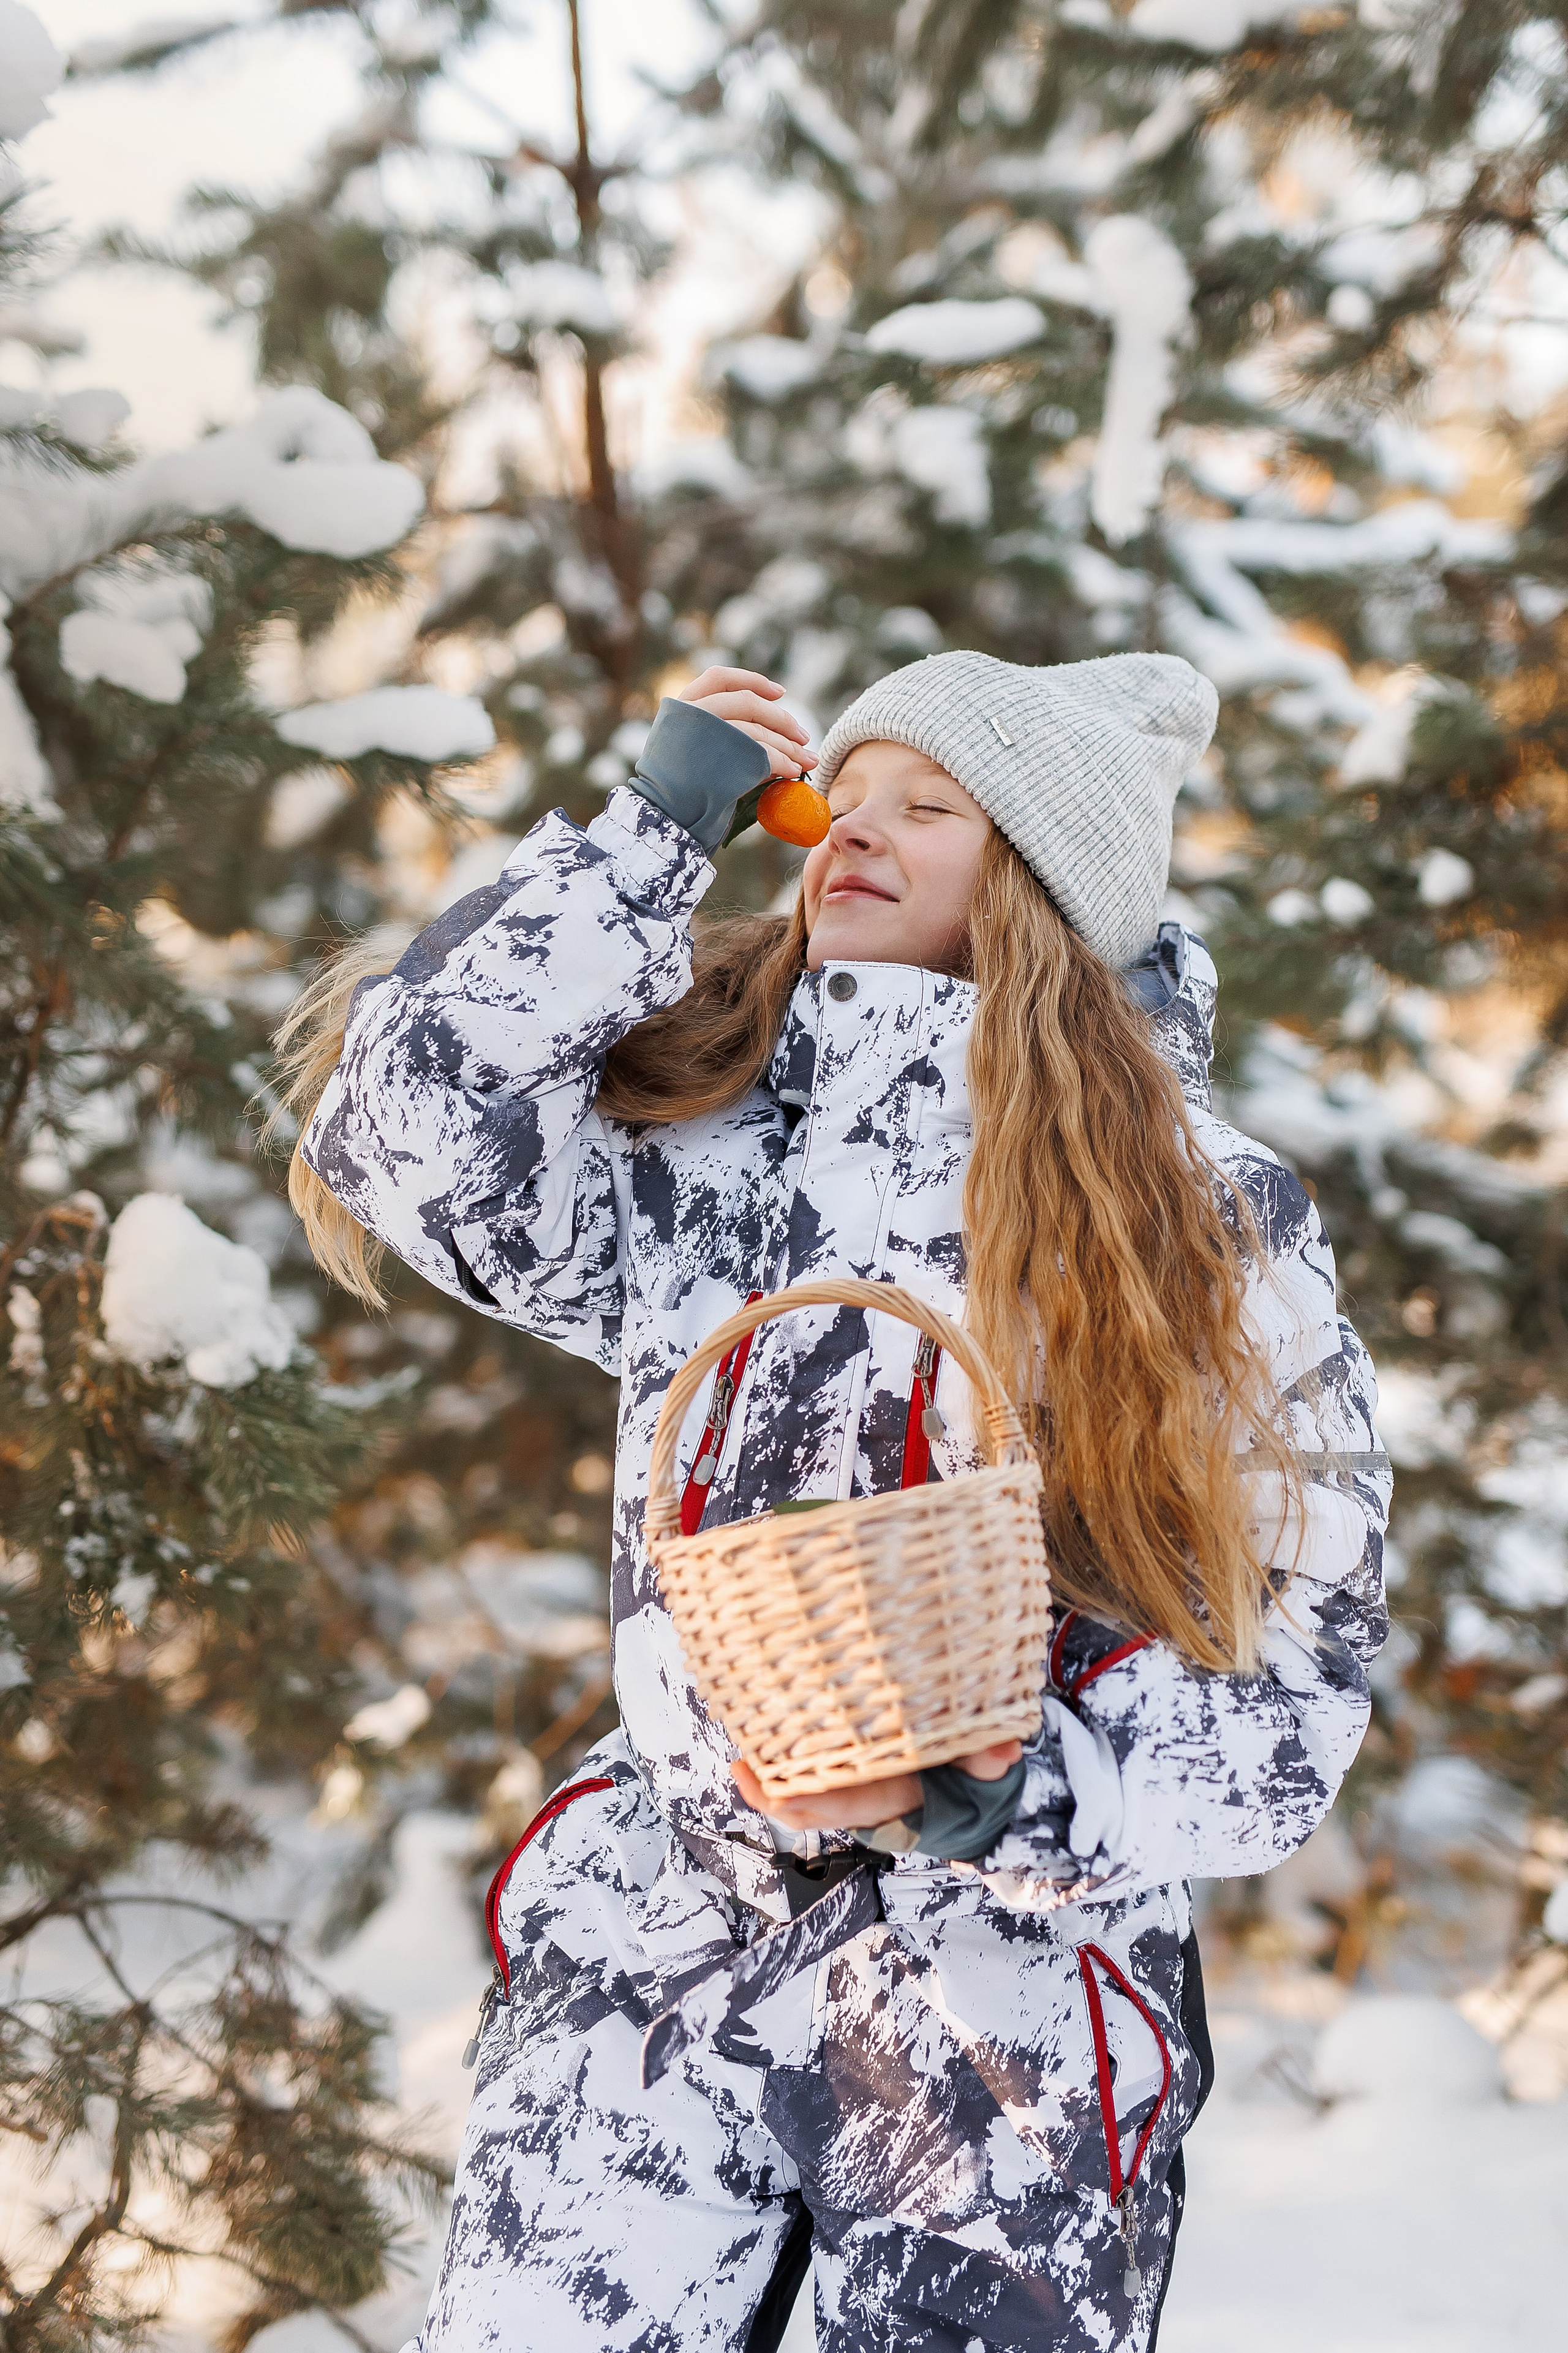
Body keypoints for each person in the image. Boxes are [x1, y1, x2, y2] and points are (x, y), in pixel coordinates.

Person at [281, 649, 1390, 2353]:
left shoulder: (1201, 1219)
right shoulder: (709, 1142)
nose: (848, 831)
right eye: (836, 799)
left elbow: (1291, 1694)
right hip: (660, 1929)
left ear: (1037, 881)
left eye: (926, 805)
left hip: (1005, 1990)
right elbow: (403, 1127)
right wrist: (650, 836)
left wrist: (1009, 1797)